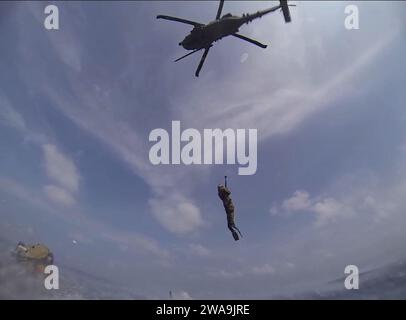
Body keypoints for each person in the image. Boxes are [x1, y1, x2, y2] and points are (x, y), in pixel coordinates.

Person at [217, 177, 242, 241]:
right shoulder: (221, 195)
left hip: (230, 209)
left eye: (220, 189)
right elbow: (226, 193)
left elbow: (229, 192)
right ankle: (236, 235)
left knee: (231, 224)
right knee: (229, 226)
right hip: (228, 210)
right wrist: (224, 189)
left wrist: (225, 189)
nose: (220, 190)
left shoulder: (225, 194)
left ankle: (238, 233)